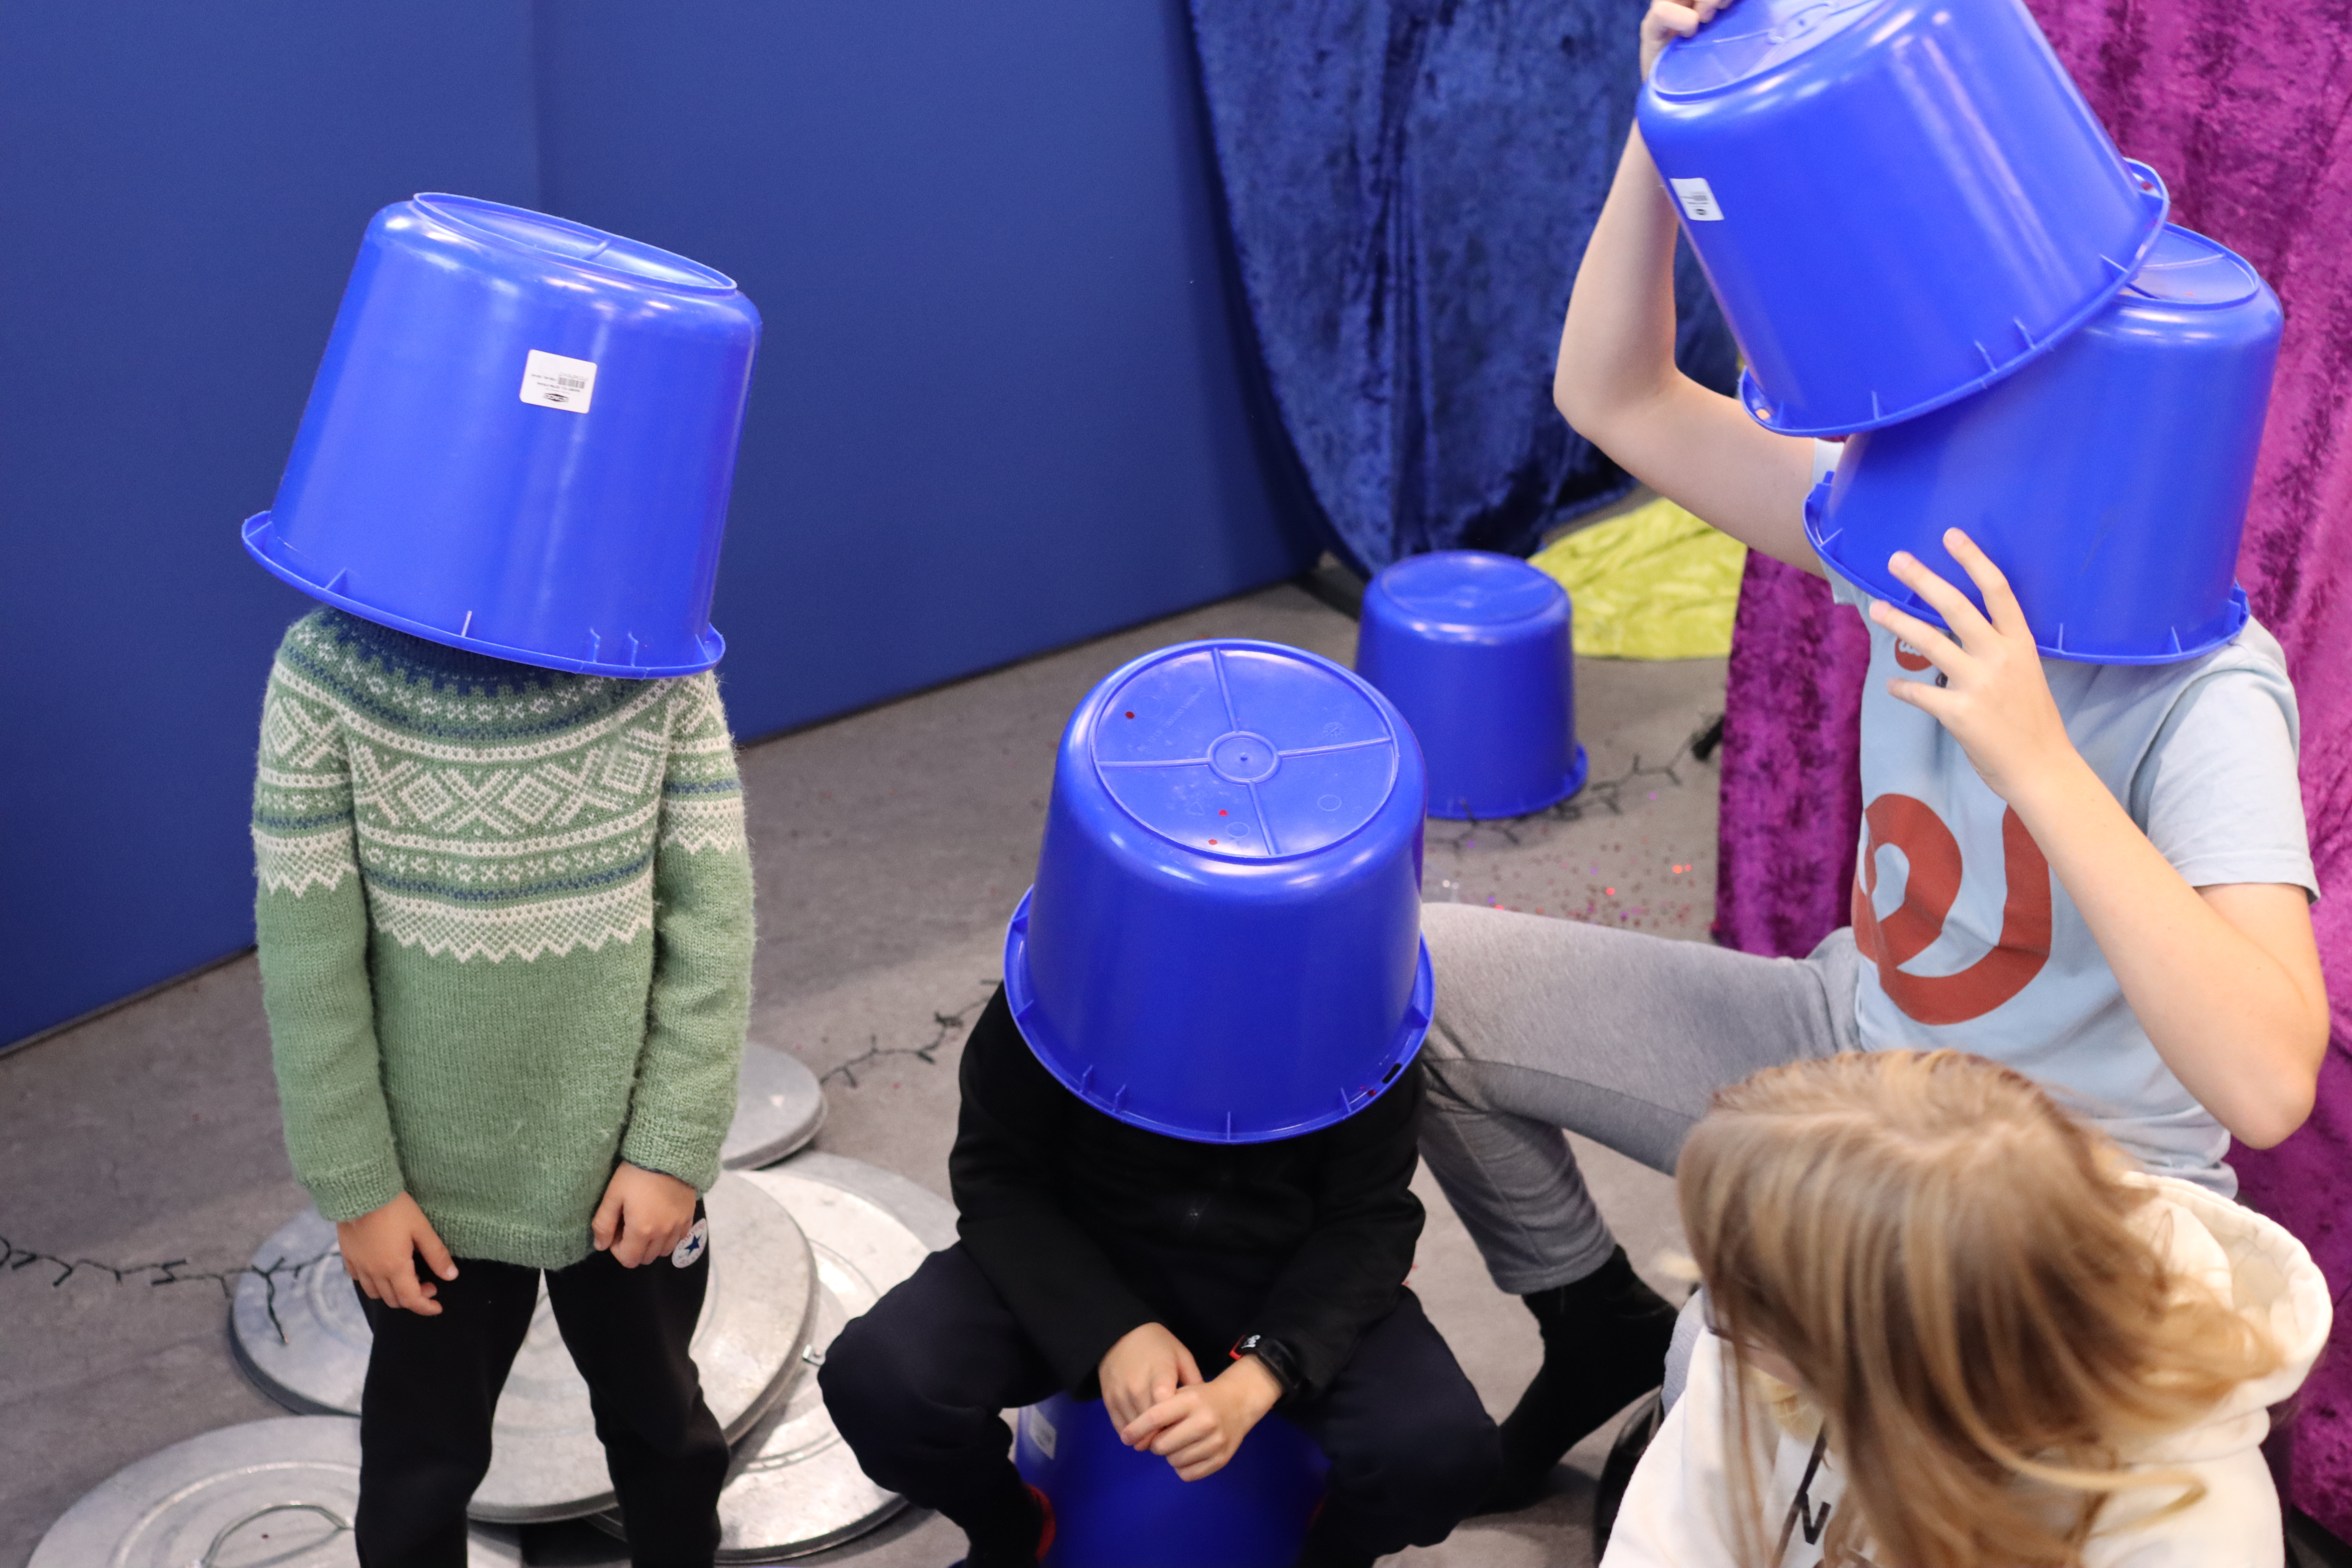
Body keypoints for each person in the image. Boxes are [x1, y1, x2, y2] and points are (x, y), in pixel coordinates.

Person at [1414, 0, 2332, 1509]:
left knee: (1778, 1436)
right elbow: (1615, 397)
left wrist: (2037, 748)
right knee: (1418, 978)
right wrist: (1670, 126)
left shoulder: (2218, 686)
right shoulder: (1917, 536)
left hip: (2061, 1180)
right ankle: (1590, 1322)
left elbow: (2264, 1076)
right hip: (1842, 1053)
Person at [252, 607, 754, 1566]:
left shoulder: (658, 653)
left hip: (628, 1178)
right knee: (420, 1467)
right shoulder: (327, 669)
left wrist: (672, 1147)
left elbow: (712, 928)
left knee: (665, 1428)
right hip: (431, 1201)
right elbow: (310, 967)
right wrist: (359, 1190)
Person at [819, 987, 1502, 1568]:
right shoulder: (1061, 979)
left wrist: (1266, 1368)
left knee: (1443, 1454)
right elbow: (999, 1179)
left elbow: (1369, 1221)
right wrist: (1109, 1329)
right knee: (879, 1380)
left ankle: (1331, 1556)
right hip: (1080, 1246)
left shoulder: (1360, 1009)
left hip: (1284, 1275)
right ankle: (1009, 1532)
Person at [1604, 1049, 2329, 1567]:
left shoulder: (2191, 1527)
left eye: (1750, 1305)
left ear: (1901, 1367)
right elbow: (1666, 1537)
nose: (1719, 1314)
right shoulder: (1765, 1359)